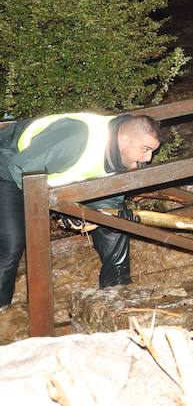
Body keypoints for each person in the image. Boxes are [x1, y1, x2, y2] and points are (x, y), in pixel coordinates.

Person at [0, 112, 160, 308]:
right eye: (145, 149)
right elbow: (22, 170)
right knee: (11, 244)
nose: (149, 157)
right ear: (125, 140)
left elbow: (108, 201)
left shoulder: (120, 157)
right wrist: (62, 210)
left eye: (152, 151)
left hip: (43, 177)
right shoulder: (75, 137)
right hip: (10, 169)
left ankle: (117, 290)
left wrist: (81, 211)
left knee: (113, 218)